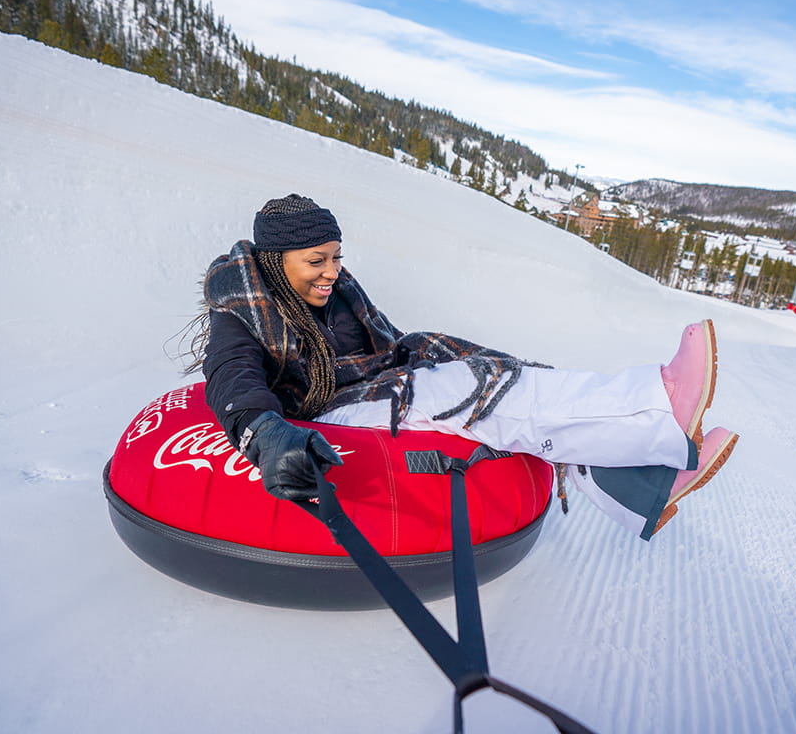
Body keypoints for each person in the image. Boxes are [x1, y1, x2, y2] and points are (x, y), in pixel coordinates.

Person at [192, 194, 739, 541]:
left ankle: (651, 475)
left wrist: (422, 354)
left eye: (337, 256)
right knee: (469, 392)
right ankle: (657, 403)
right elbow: (230, 376)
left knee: (487, 371)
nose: (334, 271)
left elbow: (381, 344)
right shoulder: (243, 311)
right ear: (273, 261)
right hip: (326, 412)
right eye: (318, 260)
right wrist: (264, 432)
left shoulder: (327, 291)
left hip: (372, 387)